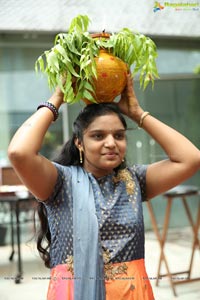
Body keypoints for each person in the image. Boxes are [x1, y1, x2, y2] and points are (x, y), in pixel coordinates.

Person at [8, 73, 200, 300]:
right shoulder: (59, 182)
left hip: (131, 293)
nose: (111, 143)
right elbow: (18, 153)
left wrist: (138, 114)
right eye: (98, 136)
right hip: (75, 293)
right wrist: (57, 98)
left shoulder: (134, 180)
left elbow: (191, 158)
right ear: (79, 142)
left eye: (119, 135)